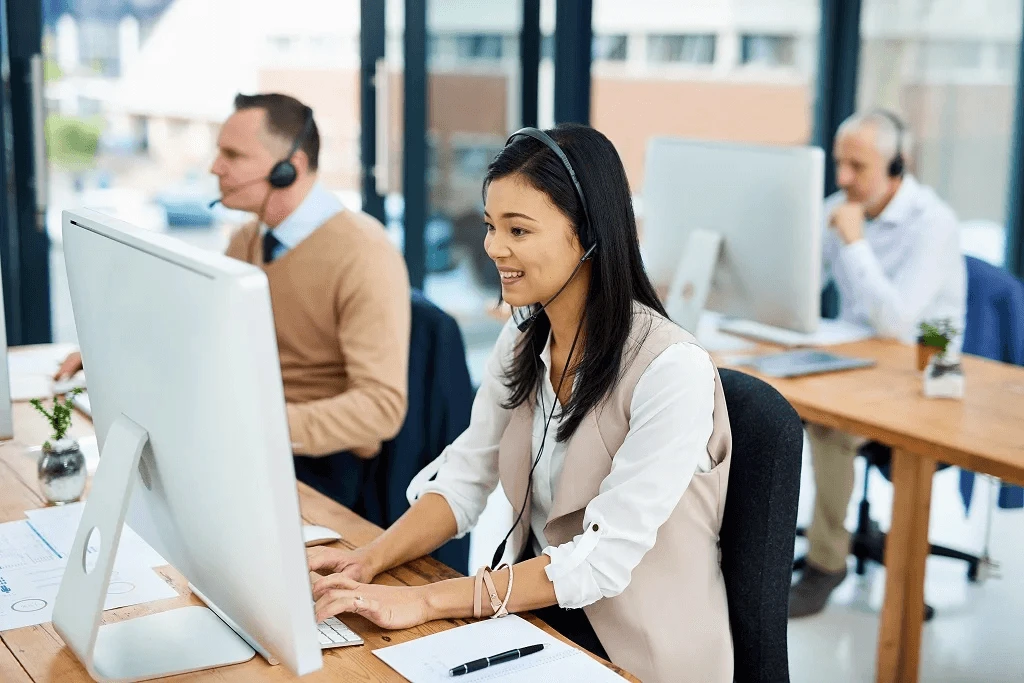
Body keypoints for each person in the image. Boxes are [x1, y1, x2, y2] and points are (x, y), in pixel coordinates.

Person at [305, 124, 734, 683]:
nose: (493, 247)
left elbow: (601, 561)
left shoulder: (672, 370)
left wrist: (430, 600)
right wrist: (369, 559)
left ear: (588, 235)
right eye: (490, 225)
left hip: (643, 657)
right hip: (537, 625)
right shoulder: (525, 336)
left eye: (519, 230)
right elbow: (466, 474)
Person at [57, 93, 411, 497]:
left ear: (287, 169)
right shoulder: (248, 238)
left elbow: (381, 408)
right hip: (240, 446)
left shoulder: (364, 253)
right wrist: (113, 354)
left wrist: (254, 425)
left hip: (316, 468)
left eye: (232, 154)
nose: (214, 167)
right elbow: (205, 332)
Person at [788, 110, 967, 618]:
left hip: (931, 367)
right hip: (857, 362)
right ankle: (798, 547)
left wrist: (855, 242)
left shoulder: (933, 223)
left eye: (857, 166)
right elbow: (802, 285)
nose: (843, 179)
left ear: (897, 166)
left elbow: (898, 322)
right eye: (840, 164)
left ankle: (827, 562)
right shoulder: (842, 208)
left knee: (828, 425)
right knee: (767, 403)